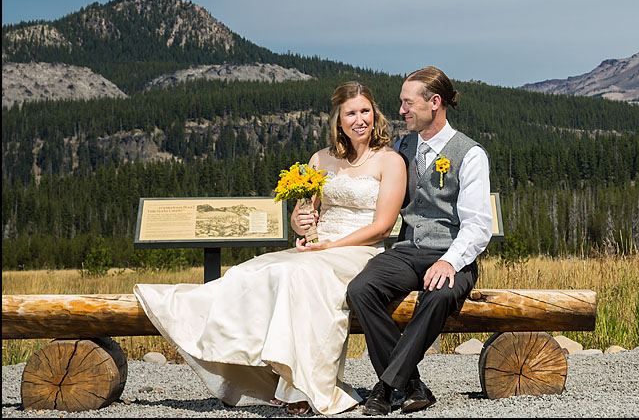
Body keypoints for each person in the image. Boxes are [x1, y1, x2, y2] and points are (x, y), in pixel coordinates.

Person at [135, 81, 406, 416]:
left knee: (299, 276)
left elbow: (382, 226)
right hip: (319, 246)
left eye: (365, 111)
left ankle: (304, 387)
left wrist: (332, 244)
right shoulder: (321, 159)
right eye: (351, 113)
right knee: (252, 270)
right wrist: (301, 222)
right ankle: (263, 373)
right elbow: (302, 215)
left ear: (374, 114)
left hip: (359, 249)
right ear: (338, 120)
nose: (359, 119)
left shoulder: (390, 160)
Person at [348, 67, 492, 415]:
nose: (401, 111)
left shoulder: (470, 154)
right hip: (408, 250)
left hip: (452, 253)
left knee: (439, 293)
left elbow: (478, 226)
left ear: (435, 103)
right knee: (361, 289)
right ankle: (411, 385)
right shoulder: (402, 148)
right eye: (401, 103)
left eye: (408, 103)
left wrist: (449, 262)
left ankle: (385, 386)